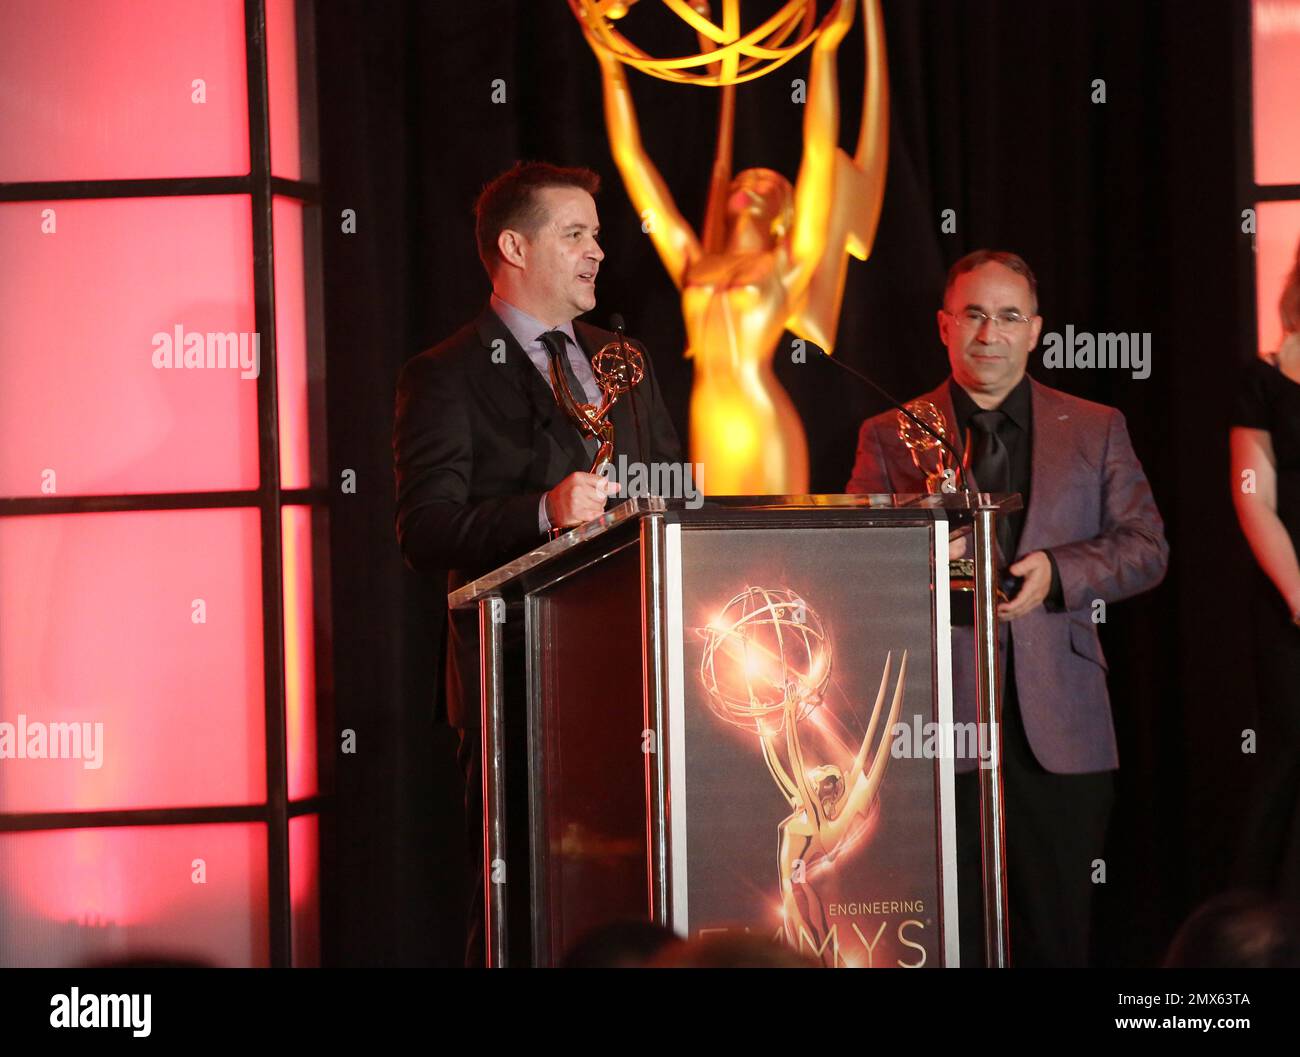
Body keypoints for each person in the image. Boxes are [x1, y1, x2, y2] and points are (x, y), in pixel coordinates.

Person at [392, 161, 682, 966]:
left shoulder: (625, 358)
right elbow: (426, 529)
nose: (598, 251)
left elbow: (671, 487)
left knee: (649, 891)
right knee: (528, 902)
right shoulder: (444, 374)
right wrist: (543, 512)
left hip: (648, 676)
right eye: (576, 234)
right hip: (521, 682)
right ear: (514, 246)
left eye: (597, 234)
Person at [846, 249, 1169, 967]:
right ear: (944, 324)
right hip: (933, 726)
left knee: (1056, 936)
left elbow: (1147, 547)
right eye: (973, 314)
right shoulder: (886, 433)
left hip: (1061, 725)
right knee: (948, 938)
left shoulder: (1096, 425)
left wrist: (1059, 571)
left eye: (1009, 316)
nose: (989, 332)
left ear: (1036, 330)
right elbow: (857, 567)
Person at [1229, 236, 1300, 897]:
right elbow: (1254, 499)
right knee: (1286, 762)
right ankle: (1262, 935)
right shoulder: (1264, 378)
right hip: (1291, 604)